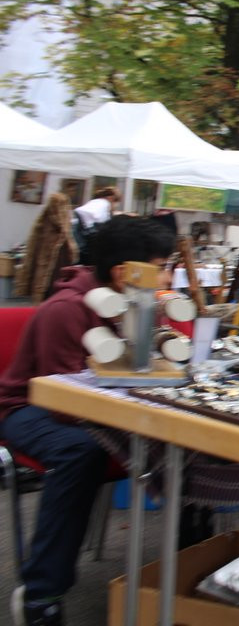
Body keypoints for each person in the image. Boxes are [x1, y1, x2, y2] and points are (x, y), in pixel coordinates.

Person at [0, 216, 175, 626]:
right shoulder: (66, 309)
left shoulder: (137, 301)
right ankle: (41, 592)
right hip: (25, 407)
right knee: (81, 452)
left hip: (100, 405)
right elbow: (67, 405)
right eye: (161, 265)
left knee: (186, 443)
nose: (167, 275)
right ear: (122, 272)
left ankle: (190, 560)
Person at [14, 193, 80, 304]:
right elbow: (34, 256)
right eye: (64, 207)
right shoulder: (47, 228)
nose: (66, 211)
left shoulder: (58, 228)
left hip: (58, 276)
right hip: (49, 280)